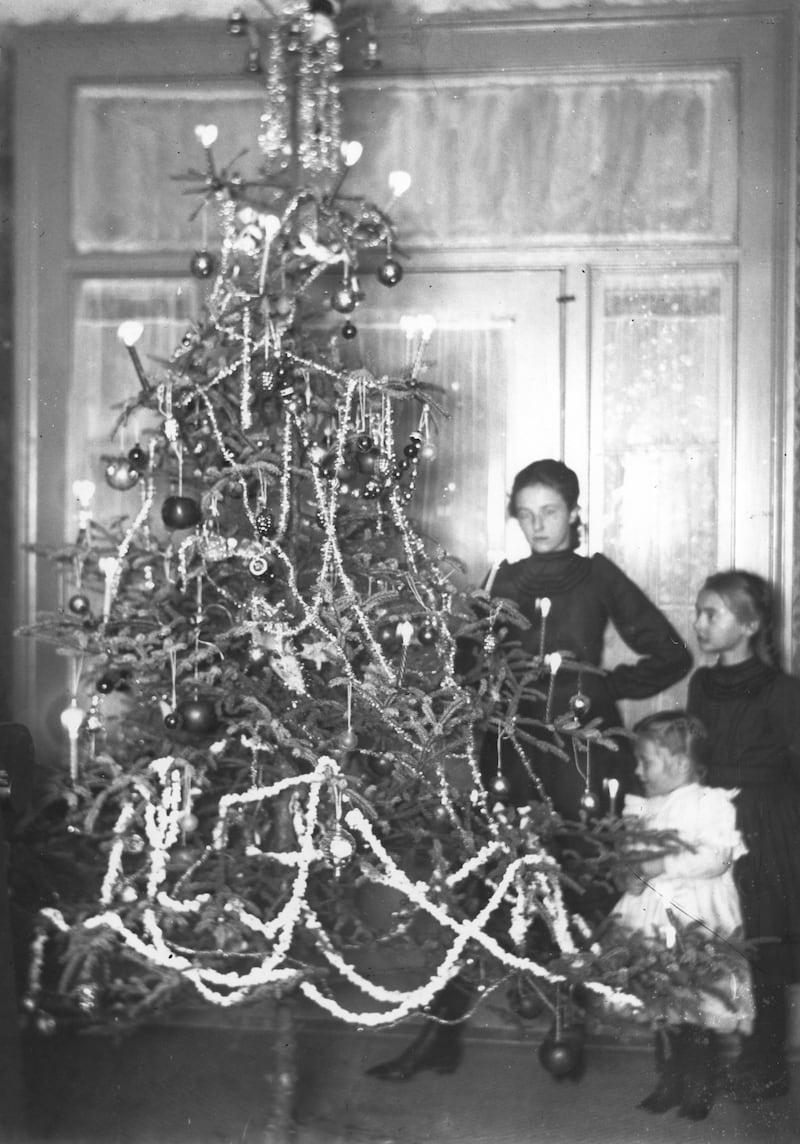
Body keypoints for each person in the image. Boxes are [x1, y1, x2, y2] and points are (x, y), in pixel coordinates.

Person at [366, 459, 692, 1082]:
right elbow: (465, 665)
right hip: (509, 752)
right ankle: (440, 1036)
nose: (538, 524)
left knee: (577, 888)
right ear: (515, 516)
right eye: (526, 513)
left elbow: (670, 653)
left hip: (581, 758)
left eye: (550, 512)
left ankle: (568, 1031)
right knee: (484, 888)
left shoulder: (598, 576)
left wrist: (601, 685)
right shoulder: (503, 579)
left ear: (573, 512)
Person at [688, 570, 800, 1102]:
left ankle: (767, 1060)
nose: (700, 622)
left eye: (713, 613)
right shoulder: (701, 684)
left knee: (761, 943)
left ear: (750, 625)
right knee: (712, 934)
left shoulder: (783, 692)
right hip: (714, 823)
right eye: (699, 611)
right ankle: (712, 1050)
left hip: (765, 829)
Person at [611, 711, 753, 1121]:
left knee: (694, 1008)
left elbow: (715, 858)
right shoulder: (645, 807)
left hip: (695, 919)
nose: (639, 770)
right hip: (653, 917)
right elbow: (634, 857)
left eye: (647, 762)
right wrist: (633, 875)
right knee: (664, 1006)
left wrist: (660, 866)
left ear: (680, 763)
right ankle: (670, 1079)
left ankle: (699, 1083)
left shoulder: (712, 803)